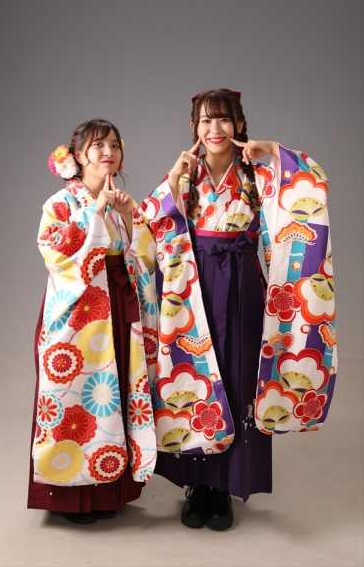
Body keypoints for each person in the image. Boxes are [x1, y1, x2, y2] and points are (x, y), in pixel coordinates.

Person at [140, 88, 337, 531]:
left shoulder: (258, 173)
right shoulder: (186, 177)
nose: (216, 129)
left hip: (243, 282)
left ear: (240, 125)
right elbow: (148, 222)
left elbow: (312, 184)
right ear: (194, 128)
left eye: (224, 120)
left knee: (237, 376)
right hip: (192, 286)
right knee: (195, 372)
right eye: (206, 121)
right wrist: (173, 176)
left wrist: (276, 152)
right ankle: (197, 485)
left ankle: (226, 486)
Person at [28, 119, 159, 524]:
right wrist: (94, 212)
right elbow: (55, 254)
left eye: (114, 145)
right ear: (78, 156)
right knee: (81, 396)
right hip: (79, 313)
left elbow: (147, 257)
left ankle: (111, 491)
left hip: (118, 305)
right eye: (98, 145)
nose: (108, 152)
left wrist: (130, 217)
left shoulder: (122, 202)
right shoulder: (61, 203)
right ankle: (72, 495)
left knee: (116, 392)